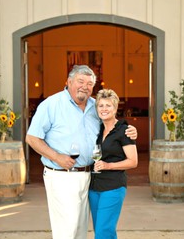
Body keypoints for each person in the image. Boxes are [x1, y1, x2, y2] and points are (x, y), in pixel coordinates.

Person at [25, 65, 137, 239]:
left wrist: (130, 130)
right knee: (66, 230)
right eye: (80, 81)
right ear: (69, 82)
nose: (85, 86)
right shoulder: (51, 104)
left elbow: (112, 126)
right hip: (61, 175)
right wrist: (57, 157)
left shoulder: (95, 107)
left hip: (89, 177)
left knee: (80, 229)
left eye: (90, 83)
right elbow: (32, 138)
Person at [89, 88, 138, 239]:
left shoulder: (124, 131)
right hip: (94, 186)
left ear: (115, 108)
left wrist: (108, 166)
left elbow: (133, 161)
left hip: (113, 187)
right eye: (100, 105)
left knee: (104, 232)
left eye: (108, 105)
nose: (104, 109)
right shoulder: (97, 129)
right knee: (102, 231)